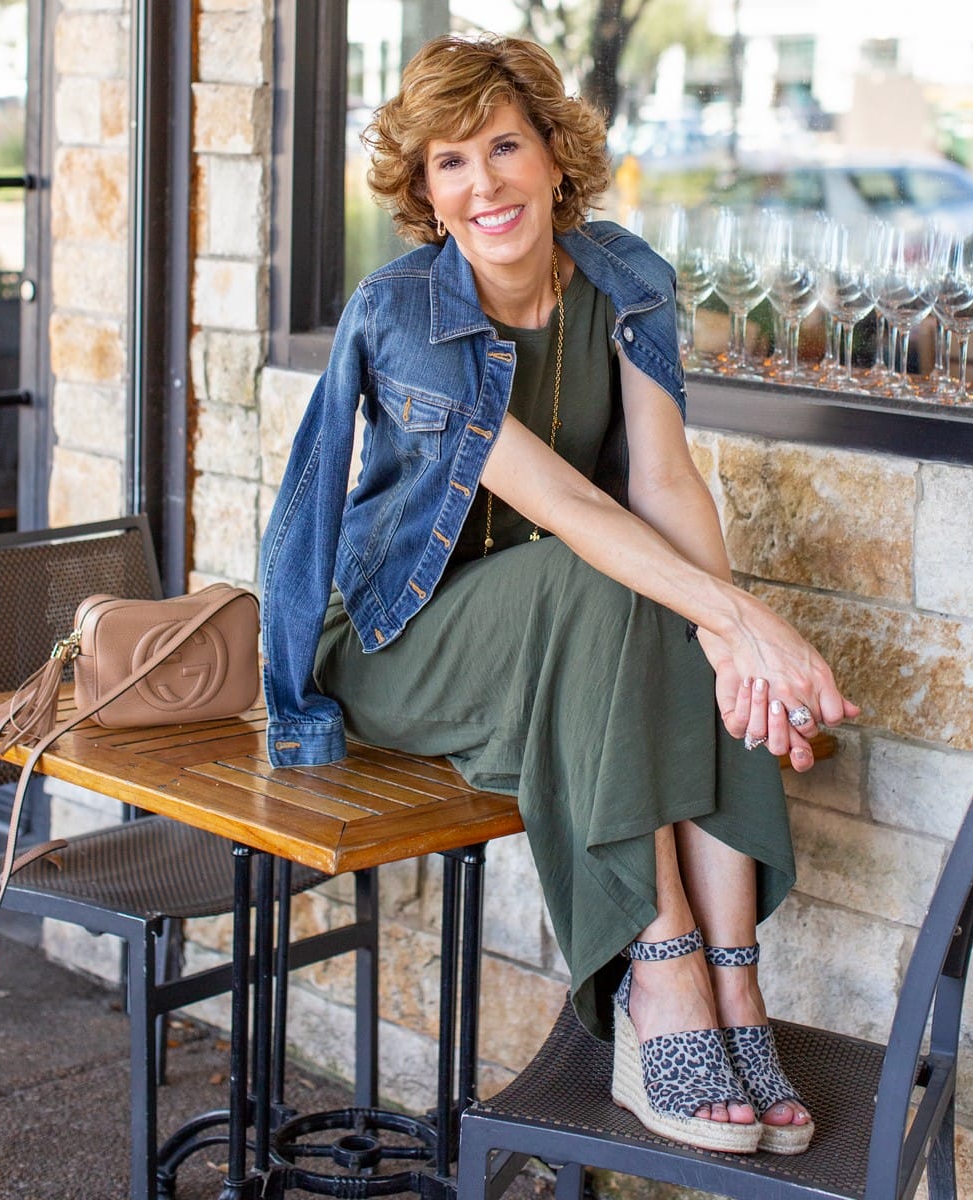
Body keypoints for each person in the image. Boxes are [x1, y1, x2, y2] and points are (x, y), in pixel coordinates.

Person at [260, 33, 859, 1157]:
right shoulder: (408, 314)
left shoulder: (625, 277)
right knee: (626, 580)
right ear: (425, 193)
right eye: (448, 163)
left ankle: (736, 985)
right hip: (399, 639)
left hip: (570, 635)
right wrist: (741, 622)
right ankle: (658, 969)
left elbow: (667, 480)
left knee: (679, 607)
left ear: (551, 155)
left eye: (502, 146)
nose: (482, 184)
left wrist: (730, 639)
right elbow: (575, 506)